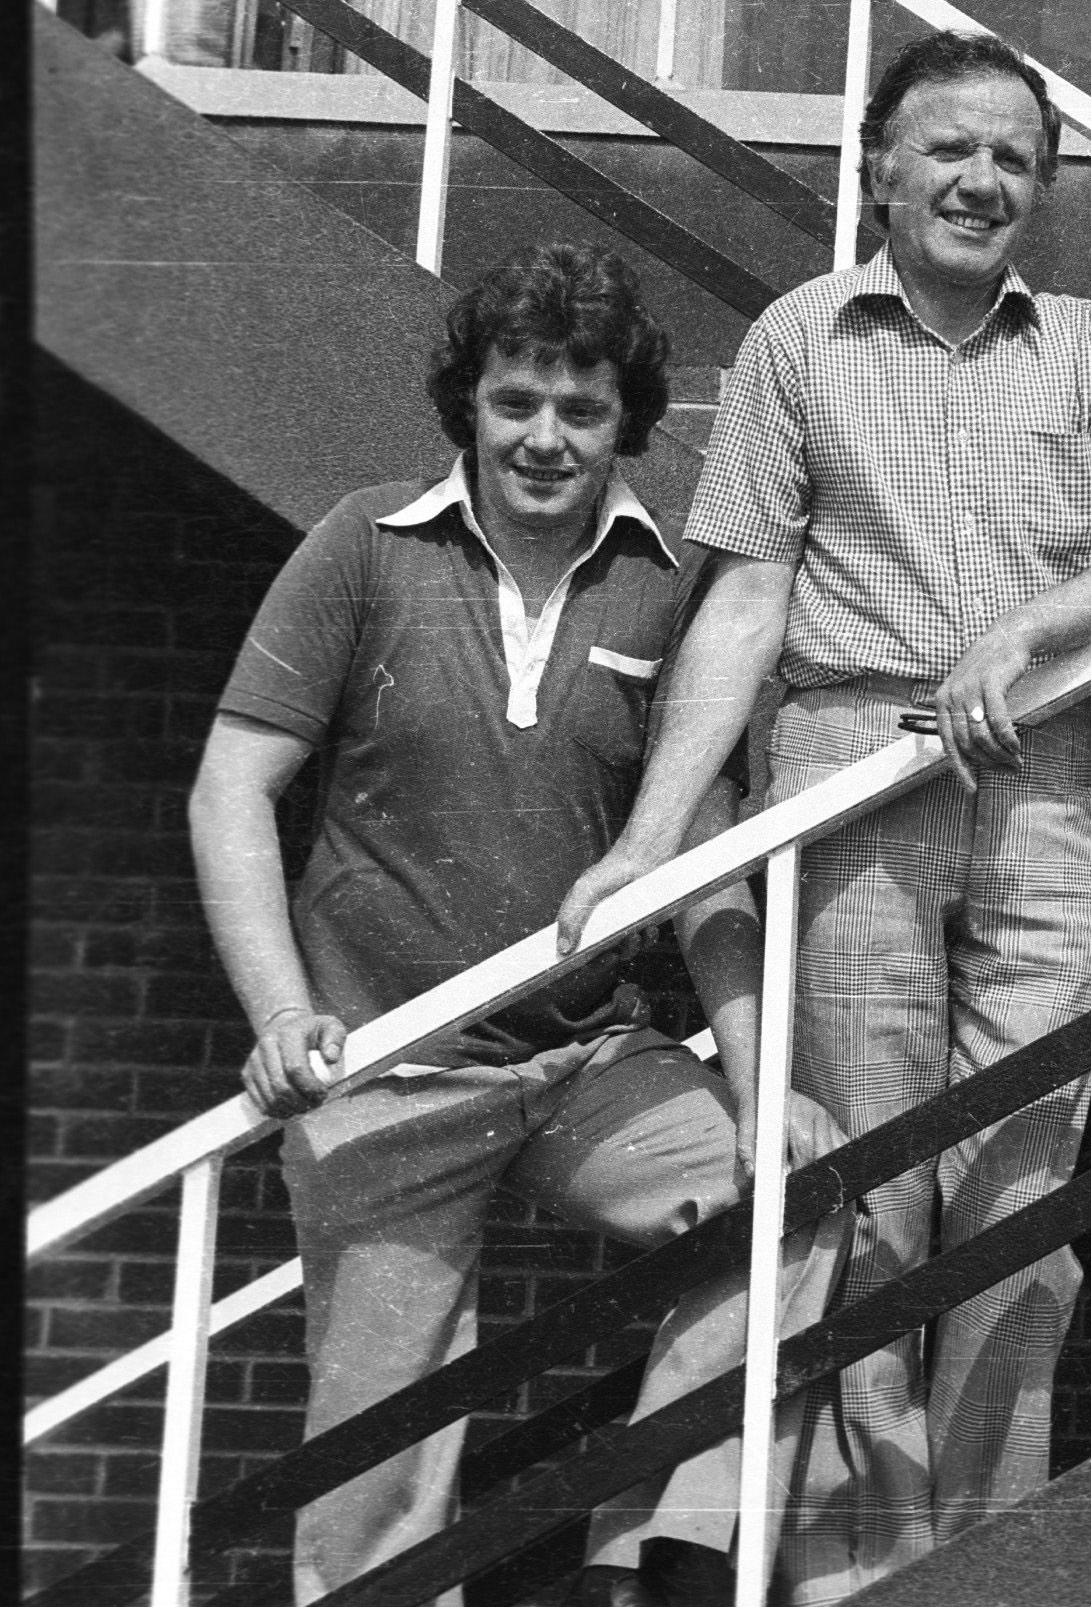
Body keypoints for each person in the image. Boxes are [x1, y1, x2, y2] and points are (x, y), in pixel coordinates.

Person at [557, 32, 1091, 1597]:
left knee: (1024, 1186)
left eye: (1014, 158)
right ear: (876, 164)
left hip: (1047, 777)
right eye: (949, 149)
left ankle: (982, 1556)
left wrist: (1030, 635)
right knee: (867, 1193)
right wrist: (656, 834)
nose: (983, 181)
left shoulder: (1081, 343)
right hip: (852, 774)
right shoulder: (802, 336)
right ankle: (868, 1564)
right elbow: (743, 602)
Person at [189, 244, 836, 1607]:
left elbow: (705, 862)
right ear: (468, 407)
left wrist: (759, 1065)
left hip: (589, 1061)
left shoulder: (666, 588)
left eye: (583, 409)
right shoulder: (365, 547)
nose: (546, 438)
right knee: (376, 1472)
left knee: (800, 1192)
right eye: (517, 402)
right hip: (390, 1070)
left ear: (629, 425)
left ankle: (651, 1559)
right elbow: (231, 788)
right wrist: (280, 1017)